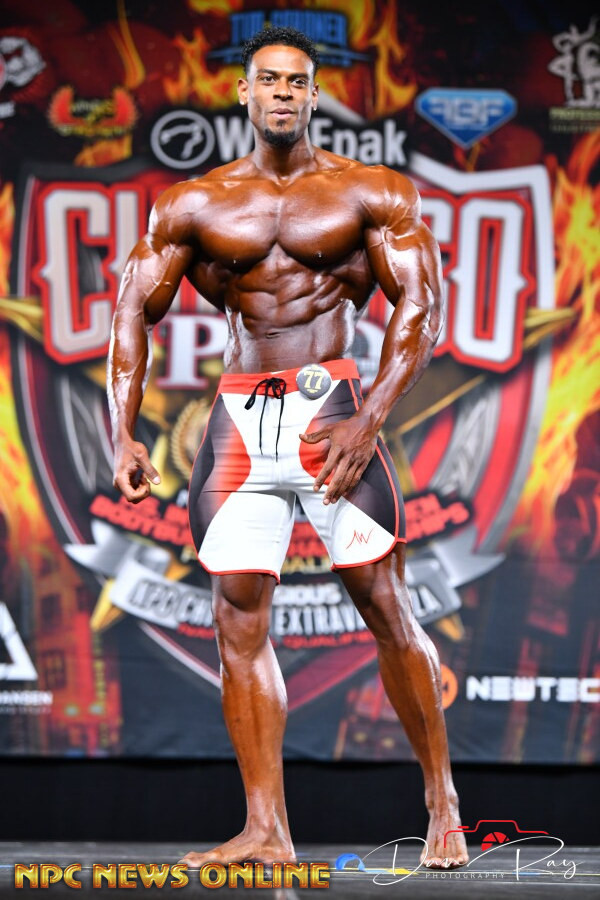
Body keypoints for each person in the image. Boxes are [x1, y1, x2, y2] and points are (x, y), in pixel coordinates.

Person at [108, 26, 469, 870]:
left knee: (385, 606)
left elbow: (422, 308)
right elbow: (131, 310)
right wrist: (119, 432)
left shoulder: (366, 191)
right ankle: (266, 828)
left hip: (331, 410)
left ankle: (442, 802)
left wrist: (368, 418)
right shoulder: (194, 204)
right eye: (268, 80)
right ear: (243, 92)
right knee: (236, 619)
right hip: (241, 418)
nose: (281, 93)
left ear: (313, 95)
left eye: (297, 82)